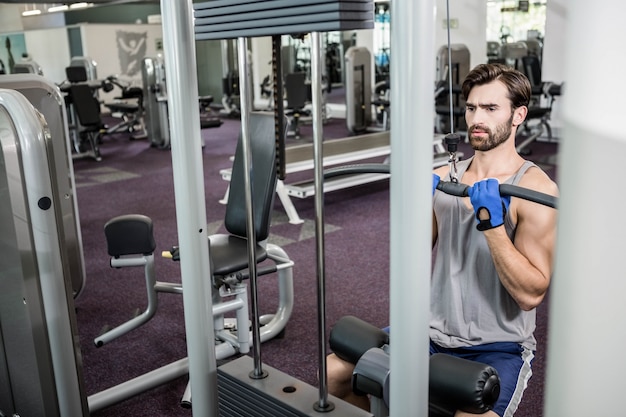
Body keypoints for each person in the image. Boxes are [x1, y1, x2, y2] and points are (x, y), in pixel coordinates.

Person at [326, 63, 559, 416]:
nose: (476, 118)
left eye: (491, 108)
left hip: (497, 347)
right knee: (332, 374)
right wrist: (415, 207)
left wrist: (493, 225)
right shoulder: (443, 177)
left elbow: (530, 295)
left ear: (518, 115)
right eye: (471, 107)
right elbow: (409, 261)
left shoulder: (534, 189)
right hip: (427, 332)